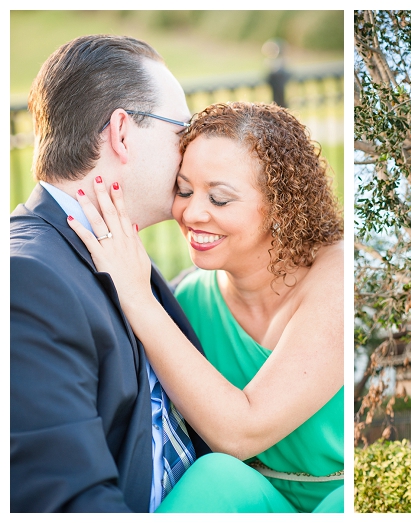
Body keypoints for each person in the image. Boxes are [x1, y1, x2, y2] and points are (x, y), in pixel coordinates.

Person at [67, 101, 345, 513]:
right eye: (183, 190)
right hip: (248, 500)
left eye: (219, 198)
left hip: (341, 500)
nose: (193, 213)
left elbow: (241, 432)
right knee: (217, 475)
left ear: (281, 206)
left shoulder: (338, 275)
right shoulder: (189, 303)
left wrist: (138, 298)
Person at [10, 35, 210, 512]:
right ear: (122, 132)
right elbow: (70, 501)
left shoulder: (112, 245)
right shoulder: (27, 282)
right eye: (181, 131)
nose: (190, 152)